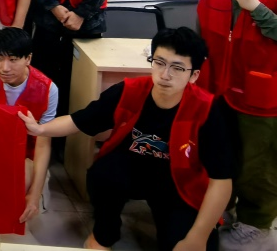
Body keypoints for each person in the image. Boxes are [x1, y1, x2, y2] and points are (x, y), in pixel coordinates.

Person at [20, 28, 233, 251]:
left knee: (189, 244)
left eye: (177, 68)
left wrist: (198, 236)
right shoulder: (130, 90)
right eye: (159, 63)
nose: (165, 74)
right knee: (102, 174)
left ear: (194, 75)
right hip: (130, 170)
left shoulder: (207, 110)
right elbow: (79, 120)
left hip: (179, 184)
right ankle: (103, 235)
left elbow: (221, 180)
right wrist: (40, 129)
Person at [196, 0, 276, 251]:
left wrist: (257, 9)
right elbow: (202, 20)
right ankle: (221, 210)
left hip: (262, 83)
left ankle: (257, 224)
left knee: (258, 160)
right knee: (217, 150)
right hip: (215, 80)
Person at [0, 28, 57, 224]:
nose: (4, 68)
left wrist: (35, 193)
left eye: (13, 60)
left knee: (22, 203)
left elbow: (43, 144)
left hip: (25, 156)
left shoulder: (48, 89)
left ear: (28, 58)